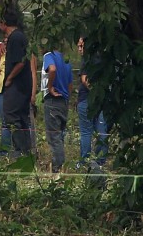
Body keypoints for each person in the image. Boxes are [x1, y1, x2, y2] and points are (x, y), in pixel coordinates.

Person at [0, 10, 32, 155]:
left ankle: (20, 151)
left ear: (4, 24)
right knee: (22, 118)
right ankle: (26, 152)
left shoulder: (16, 38)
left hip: (17, 86)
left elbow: (20, 62)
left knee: (12, 117)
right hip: (23, 86)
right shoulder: (17, 37)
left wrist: (10, 78)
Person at [76, 36, 108, 167]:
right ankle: (101, 160)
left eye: (81, 46)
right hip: (102, 99)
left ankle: (85, 161)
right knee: (102, 130)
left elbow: (84, 79)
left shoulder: (87, 59)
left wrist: (94, 92)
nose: (79, 49)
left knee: (85, 131)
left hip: (86, 99)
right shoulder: (103, 59)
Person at [41, 46, 72, 172]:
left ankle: (57, 168)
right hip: (63, 100)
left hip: (52, 99)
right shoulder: (66, 59)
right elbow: (70, 83)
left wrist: (49, 87)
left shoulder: (48, 56)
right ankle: (61, 165)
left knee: (54, 136)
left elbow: (52, 69)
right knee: (60, 136)